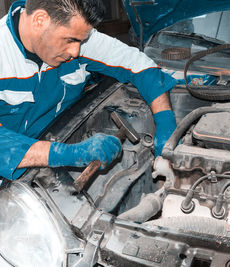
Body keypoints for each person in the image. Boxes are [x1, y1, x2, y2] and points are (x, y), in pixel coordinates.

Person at [0, 0, 177, 180]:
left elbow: (140, 65)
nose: (76, 51)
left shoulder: (78, 36)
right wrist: (66, 154)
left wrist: (165, 120)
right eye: (70, 40)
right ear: (39, 20)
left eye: (82, 41)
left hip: (53, 163)